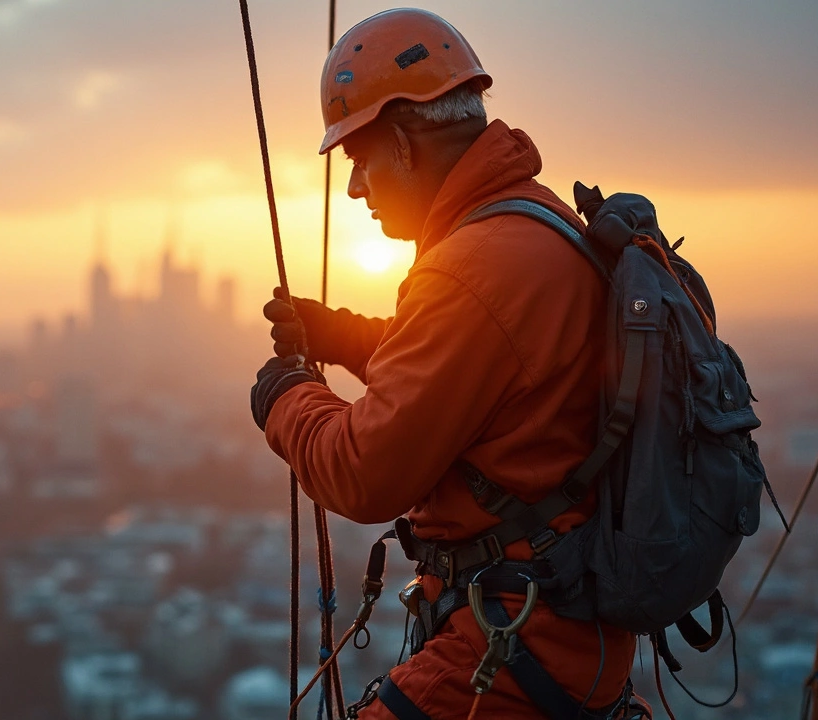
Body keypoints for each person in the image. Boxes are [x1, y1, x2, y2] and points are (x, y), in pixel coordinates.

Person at [250, 8, 648, 720]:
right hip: (557, 631)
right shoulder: (532, 222)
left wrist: (286, 398)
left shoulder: (473, 269)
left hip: (518, 648)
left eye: (359, 161)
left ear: (403, 142)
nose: (355, 190)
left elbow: (365, 471)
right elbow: (471, 377)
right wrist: (339, 337)